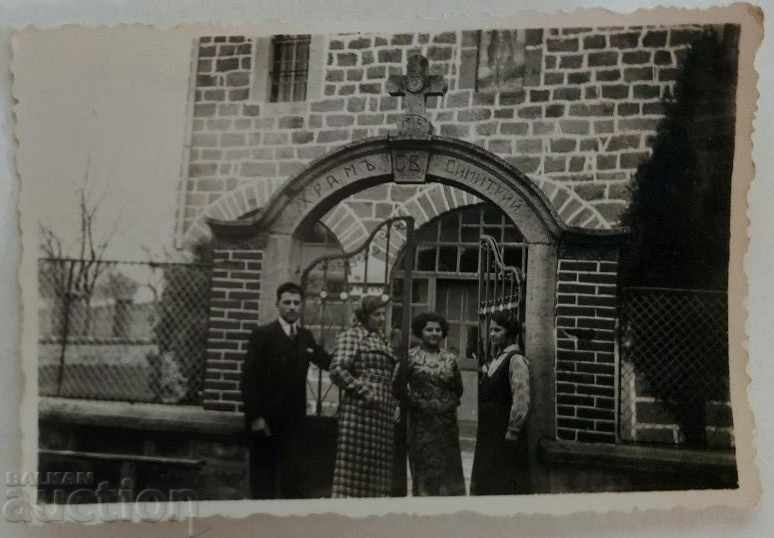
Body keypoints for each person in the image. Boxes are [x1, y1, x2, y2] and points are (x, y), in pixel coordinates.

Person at [240, 281, 331, 499]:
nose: (292, 307)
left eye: (296, 303)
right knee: (264, 476)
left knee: (293, 475)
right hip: (267, 419)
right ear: (277, 305)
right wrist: (256, 417)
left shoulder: (305, 337)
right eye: (287, 302)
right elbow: (249, 379)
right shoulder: (262, 335)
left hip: (295, 419)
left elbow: (326, 361)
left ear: (302, 306)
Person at [329, 295, 398, 498]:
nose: (381, 319)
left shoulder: (381, 340)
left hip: (382, 417)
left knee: (377, 474)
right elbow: (337, 370)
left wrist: (392, 403)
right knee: (352, 474)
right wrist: (364, 391)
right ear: (364, 315)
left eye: (383, 314)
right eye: (376, 314)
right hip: (359, 415)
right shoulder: (352, 336)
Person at [402, 312, 465, 496]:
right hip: (421, 426)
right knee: (424, 474)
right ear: (420, 332)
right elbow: (398, 387)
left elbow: (457, 389)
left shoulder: (450, 359)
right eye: (429, 329)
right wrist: (418, 403)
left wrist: (445, 405)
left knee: (448, 475)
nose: (434, 333)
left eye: (438, 329)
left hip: (446, 426)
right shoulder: (410, 357)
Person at [470, 311, 531, 495]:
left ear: (510, 333)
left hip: (503, 431)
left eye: (497, 330)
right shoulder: (497, 359)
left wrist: (513, 430)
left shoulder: (516, 360)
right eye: (490, 330)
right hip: (489, 430)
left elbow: (522, 399)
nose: (492, 334)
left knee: (500, 480)